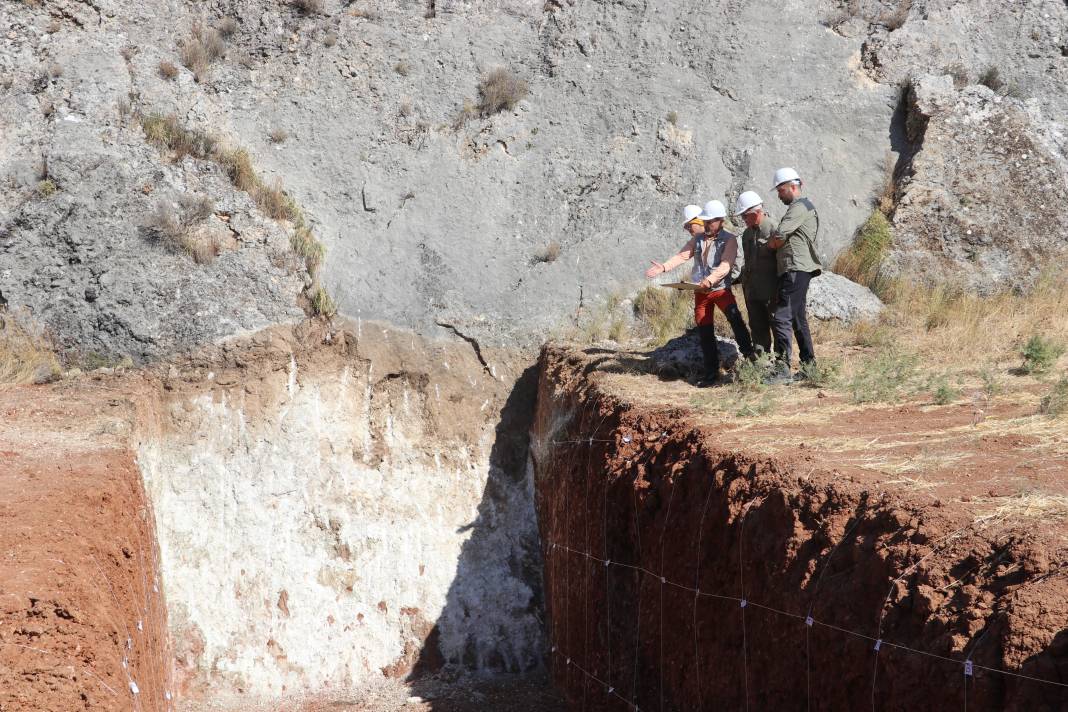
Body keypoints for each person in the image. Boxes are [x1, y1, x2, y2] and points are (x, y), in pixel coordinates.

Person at [645, 201, 753, 387]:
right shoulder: (699, 239)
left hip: (720, 291)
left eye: (710, 222)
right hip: (701, 293)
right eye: (705, 221)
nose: (706, 225)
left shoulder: (730, 239)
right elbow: (682, 256)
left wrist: (710, 280)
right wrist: (663, 267)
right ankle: (711, 374)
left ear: (720, 221)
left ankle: (752, 363)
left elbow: (726, 265)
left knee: (737, 324)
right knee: (705, 332)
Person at [767, 168, 823, 383]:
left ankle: (782, 370)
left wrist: (772, 244)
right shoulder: (800, 207)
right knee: (798, 319)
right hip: (796, 268)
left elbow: (780, 235)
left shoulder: (799, 207)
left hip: (796, 268)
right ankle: (809, 367)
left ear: (793, 186)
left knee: (781, 316)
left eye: (781, 190)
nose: (779, 195)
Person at [734, 191, 777, 356]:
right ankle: (761, 361)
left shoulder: (773, 228)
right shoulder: (747, 234)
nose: (743, 220)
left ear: (756, 212)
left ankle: (781, 363)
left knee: (777, 325)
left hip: (771, 289)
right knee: (757, 326)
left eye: (745, 216)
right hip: (752, 289)